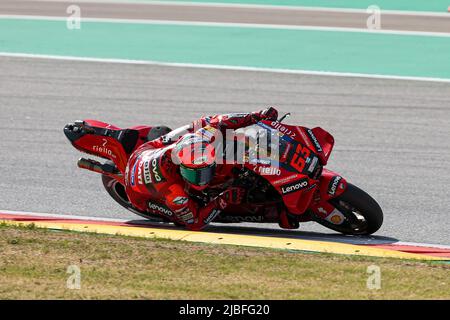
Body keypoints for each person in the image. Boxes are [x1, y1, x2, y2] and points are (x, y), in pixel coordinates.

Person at [124, 107, 281, 230]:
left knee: (202, 123)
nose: (203, 179)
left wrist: (258, 115)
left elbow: (220, 120)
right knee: (184, 216)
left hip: (146, 150)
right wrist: (222, 200)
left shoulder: (201, 137)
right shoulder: (175, 193)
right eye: (196, 175)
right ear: (181, 168)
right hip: (138, 195)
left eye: (206, 170)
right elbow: (196, 223)